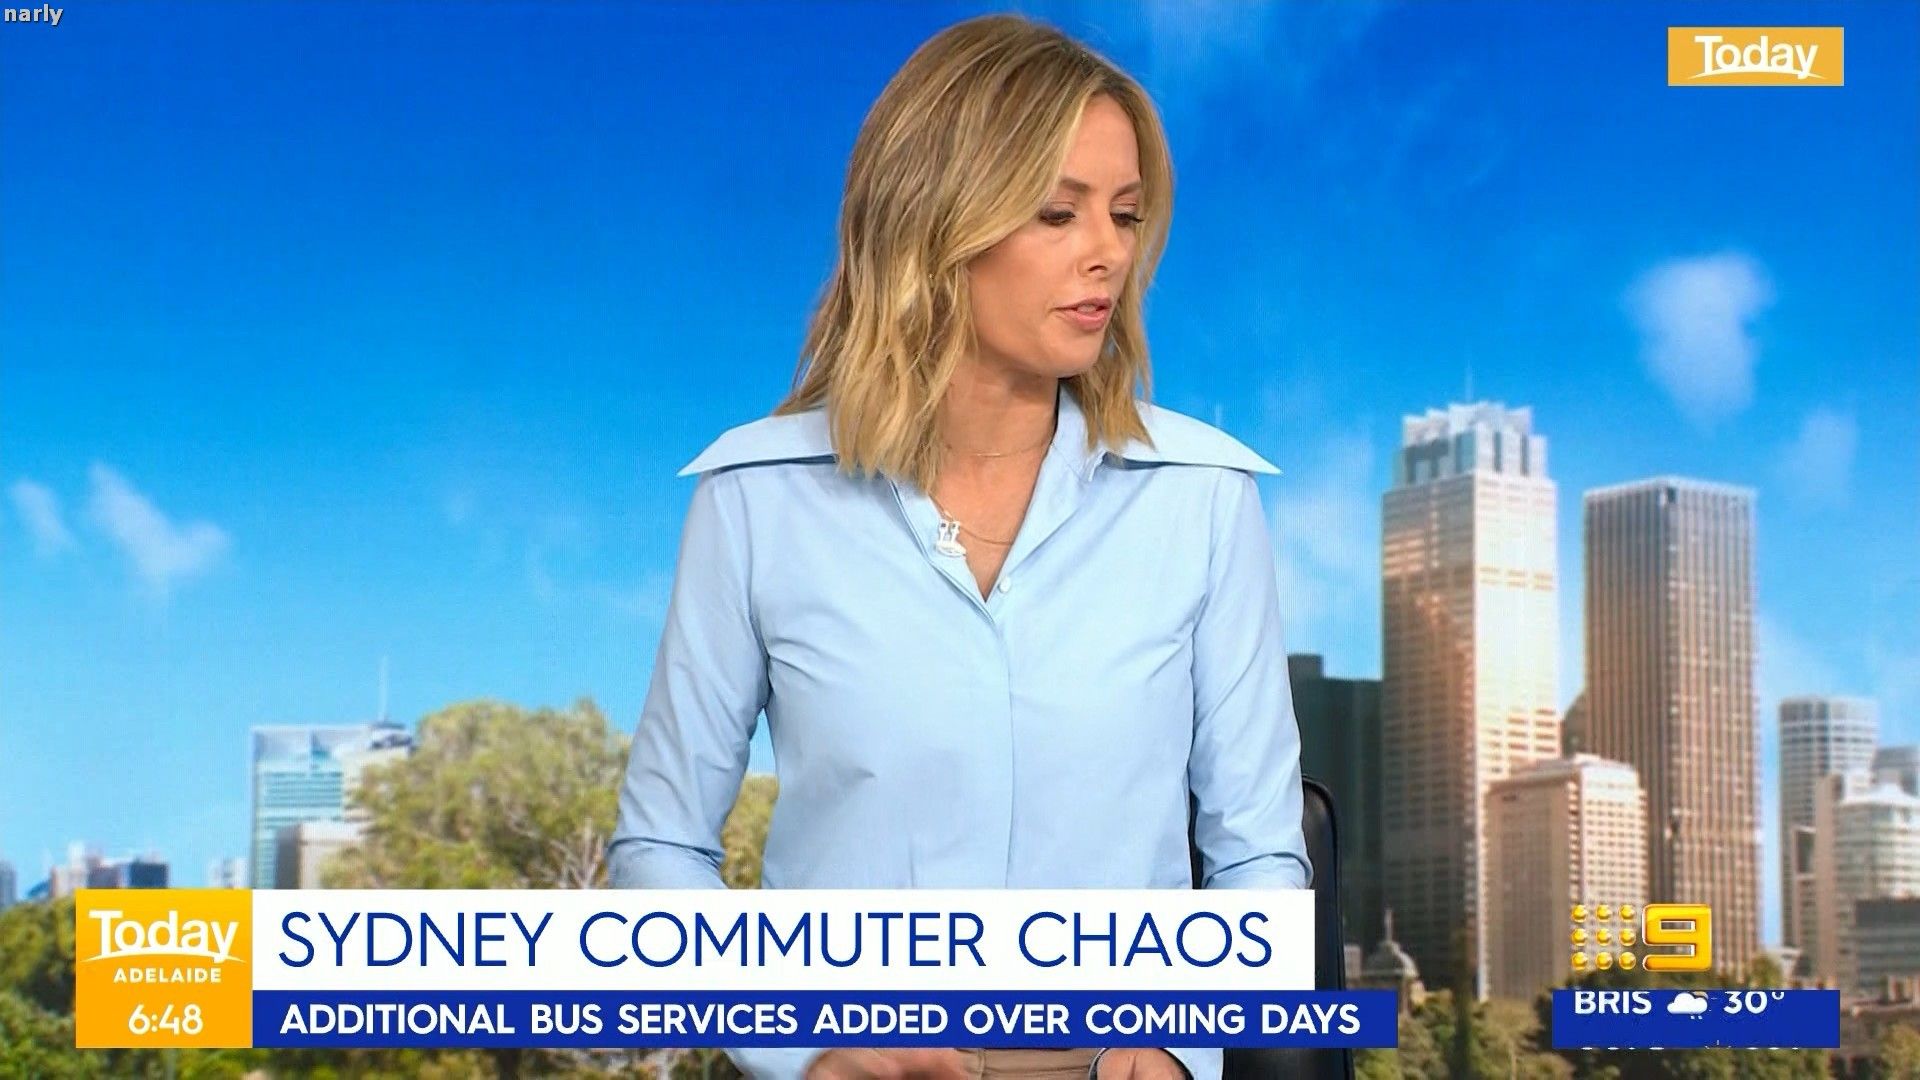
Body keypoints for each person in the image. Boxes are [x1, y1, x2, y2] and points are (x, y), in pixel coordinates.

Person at [608, 13, 1311, 1080]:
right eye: (1057, 212)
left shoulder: (1203, 499)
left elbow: (1259, 853)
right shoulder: (755, 500)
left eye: (1125, 214)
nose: (1108, 252)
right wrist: (802, 1050)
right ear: (935, 223)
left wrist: (1182, 1042)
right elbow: (660, 849)